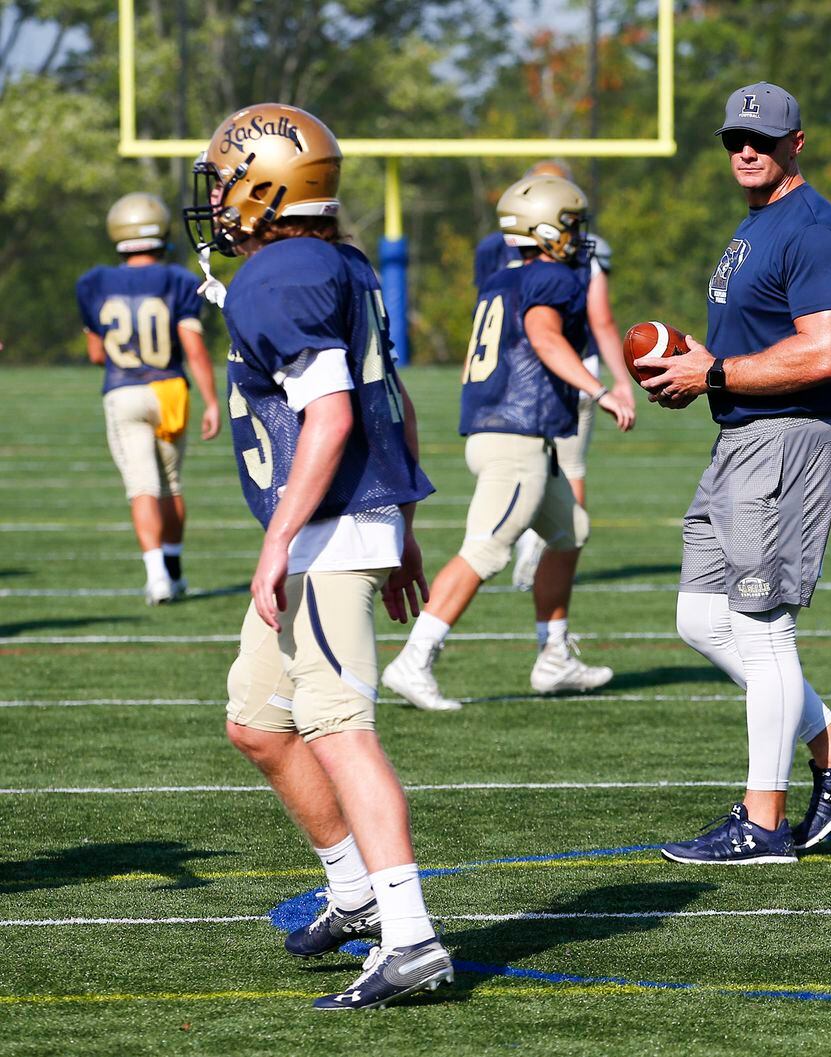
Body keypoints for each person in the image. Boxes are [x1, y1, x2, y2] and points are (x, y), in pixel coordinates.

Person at [185, 103, 452, 1008]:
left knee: (339, 727)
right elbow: (398, 398)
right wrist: (403, 521)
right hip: (342, 524)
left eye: (225, 178)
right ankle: (354, 891)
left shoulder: (279, 277)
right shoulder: (339, 262)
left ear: (266, 184)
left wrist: (278, 542)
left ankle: (411, 938)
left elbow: (337, 415)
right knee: (260, 722)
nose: (217, 198)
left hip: (326, 531)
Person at [639, 82, 831, 865]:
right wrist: (693, 374)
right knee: (701, 618)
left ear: (796, 143)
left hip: (784, 443)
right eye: (733, 139)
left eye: (762, 137)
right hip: (740, 440)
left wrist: (715, 375)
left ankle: (764, 821)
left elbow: (826, 352)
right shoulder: (760, 221)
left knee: (761, 627)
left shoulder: (813, 227)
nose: (745, 149)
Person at [382, 173, 631, 713]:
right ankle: (415, 659)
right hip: (516, 437)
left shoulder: (501, 279)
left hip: (512, 432)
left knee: (570, 532)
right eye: (570, 224)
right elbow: (543, 336)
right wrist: (600, 390)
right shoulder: (556, 280)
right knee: (487, 549)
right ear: (543, 229)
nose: (578, 235)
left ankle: (554, 657)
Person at [473, 159, 637, 591]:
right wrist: (613, 385)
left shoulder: (496, 249)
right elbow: (595, 323)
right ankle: (540, 552)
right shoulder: (570, 262)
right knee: (568, 470)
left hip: (504, 380)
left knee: (545, 483)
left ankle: (543, 564)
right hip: (568, 372)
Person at [76, 193, 222, 604]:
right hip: (169, 391)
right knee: (171, 485)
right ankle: (174, 573)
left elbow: (95, 354)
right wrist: (211, 400)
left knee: (142, 486)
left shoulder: (94, 283)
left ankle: (157, 577)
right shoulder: (178, 280)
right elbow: (193, 348)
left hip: (124, 390)